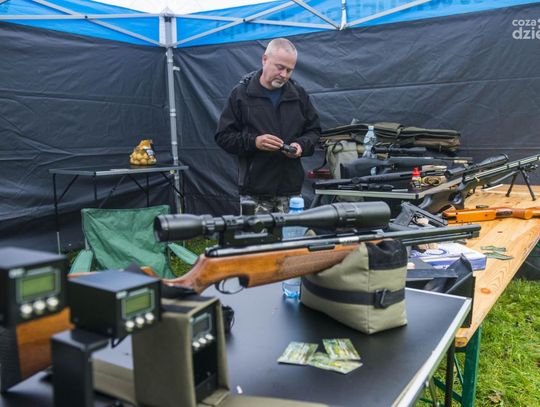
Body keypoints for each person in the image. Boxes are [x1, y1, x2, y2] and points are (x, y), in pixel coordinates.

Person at [215, 38, 321, 214]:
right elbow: (223, 136)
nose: (284, 75)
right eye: (280, 67)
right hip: (254, 194)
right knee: (255, 234)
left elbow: (314, 131)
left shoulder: (298, 94)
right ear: (264, 59)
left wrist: (301, 145)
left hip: (290, 192)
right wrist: (254, 142)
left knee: (292, 234)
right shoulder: (241, 94)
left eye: (289, 70)